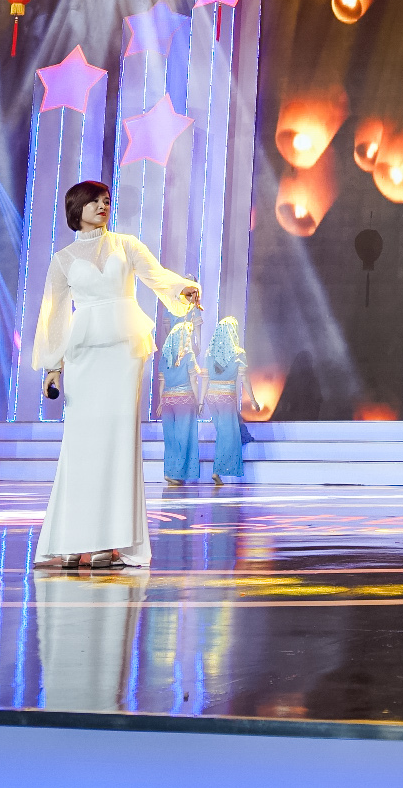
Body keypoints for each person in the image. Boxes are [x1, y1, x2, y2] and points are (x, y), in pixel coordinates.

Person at [31, 179, 201, 570]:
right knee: (81, 443)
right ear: (77, 208)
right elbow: (54, 315)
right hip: (84, 353)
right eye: (94, 201)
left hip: (124, 349)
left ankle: (110, 542)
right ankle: (71, 540)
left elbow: (157, 276)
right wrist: (53, 366)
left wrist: (184, 289)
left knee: (119, 441)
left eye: (106, 200)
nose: (102, 206)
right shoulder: (63, 259)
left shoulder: (127, 245)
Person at [206, 316, 258, 483]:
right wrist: (253, 400)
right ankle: (217, 470)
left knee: (225, 430)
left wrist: (200, 400)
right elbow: (245, 379)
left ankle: (244, 437)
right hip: (226, 396)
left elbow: (206, 376)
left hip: (211, 396)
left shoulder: (210, 352)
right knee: (226, 434)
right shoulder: (238, 353)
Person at [157, 312, 205, 485]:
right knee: (183, 437)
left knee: (170, 438)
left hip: (167, 401)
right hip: (184, 401)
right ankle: (177, 473)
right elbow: (193, 381)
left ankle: (168, 471)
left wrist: (161, 402)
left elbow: (162, 383)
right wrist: (198, 402)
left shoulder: (164, 357)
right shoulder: (188, 355)